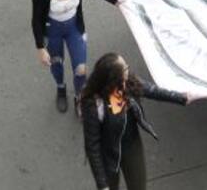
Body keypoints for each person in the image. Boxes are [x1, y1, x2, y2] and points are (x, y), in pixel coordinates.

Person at [81, 53, 191, 190]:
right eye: (124, 69)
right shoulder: (94, 104)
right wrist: (102, 184)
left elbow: (153, 90)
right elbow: (92, 146)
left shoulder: (129, 83)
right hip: (107, 153)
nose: (128, 69)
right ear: (114, 78)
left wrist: (183, 98)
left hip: (131, 146)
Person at [32, 0, 121, 116]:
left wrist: (115, 0)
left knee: (81, 69)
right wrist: (40, 48)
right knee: (56, 64)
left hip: (74, 28)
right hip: (53, 31)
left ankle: (80, 97)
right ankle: (61, 88)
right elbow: (36, 21)